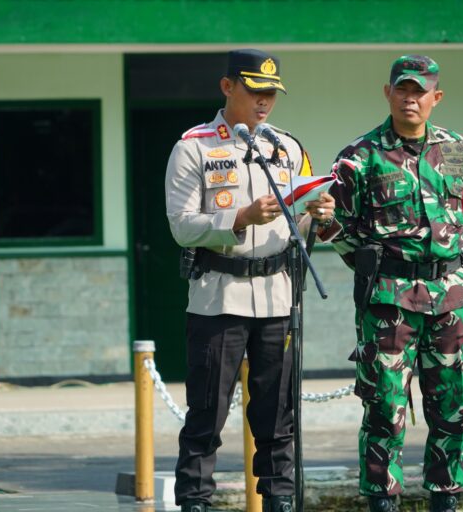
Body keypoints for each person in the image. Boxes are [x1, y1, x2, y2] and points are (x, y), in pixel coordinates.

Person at [164, 49, 336, 512]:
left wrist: (318, 216)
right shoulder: (193, 146)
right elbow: (181, 225)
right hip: (218, 298)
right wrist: (239, 215)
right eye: (255, 91)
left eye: (271, 94)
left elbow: (297, 226)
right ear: (227, 87)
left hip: (278, 297)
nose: (265, 103)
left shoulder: (287, 148)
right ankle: (196, 500)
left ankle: (279, 498)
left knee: (279, 415)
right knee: (206, 414)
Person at [328, 55, 463, 512]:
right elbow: (336, 228)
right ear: (388, 93)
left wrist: (439, 264)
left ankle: (447, 498)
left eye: (420, 91)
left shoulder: (459, 150)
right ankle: (383, 501)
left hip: (451, 299)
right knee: (384, 407)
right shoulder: (359, 157)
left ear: (436, 98)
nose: (410, 98)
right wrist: (379, 267)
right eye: (403, 89)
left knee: (454, 405)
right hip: (389, 301)